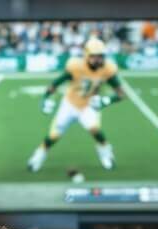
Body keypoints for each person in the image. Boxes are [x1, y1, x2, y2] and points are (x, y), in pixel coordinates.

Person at [28, 37, 125, 173]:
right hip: (70, 104)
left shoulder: (107, 69)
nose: (98, 60)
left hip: (89, 105)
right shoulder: (76, 66)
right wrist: (45, 98)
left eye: (101, 56)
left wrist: (105, 101)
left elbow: (121, 94)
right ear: (86, 55)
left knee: (94, 129)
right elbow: (56, 83)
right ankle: (39, 154)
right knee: (54, 135)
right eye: (95, 57)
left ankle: (106, 154)